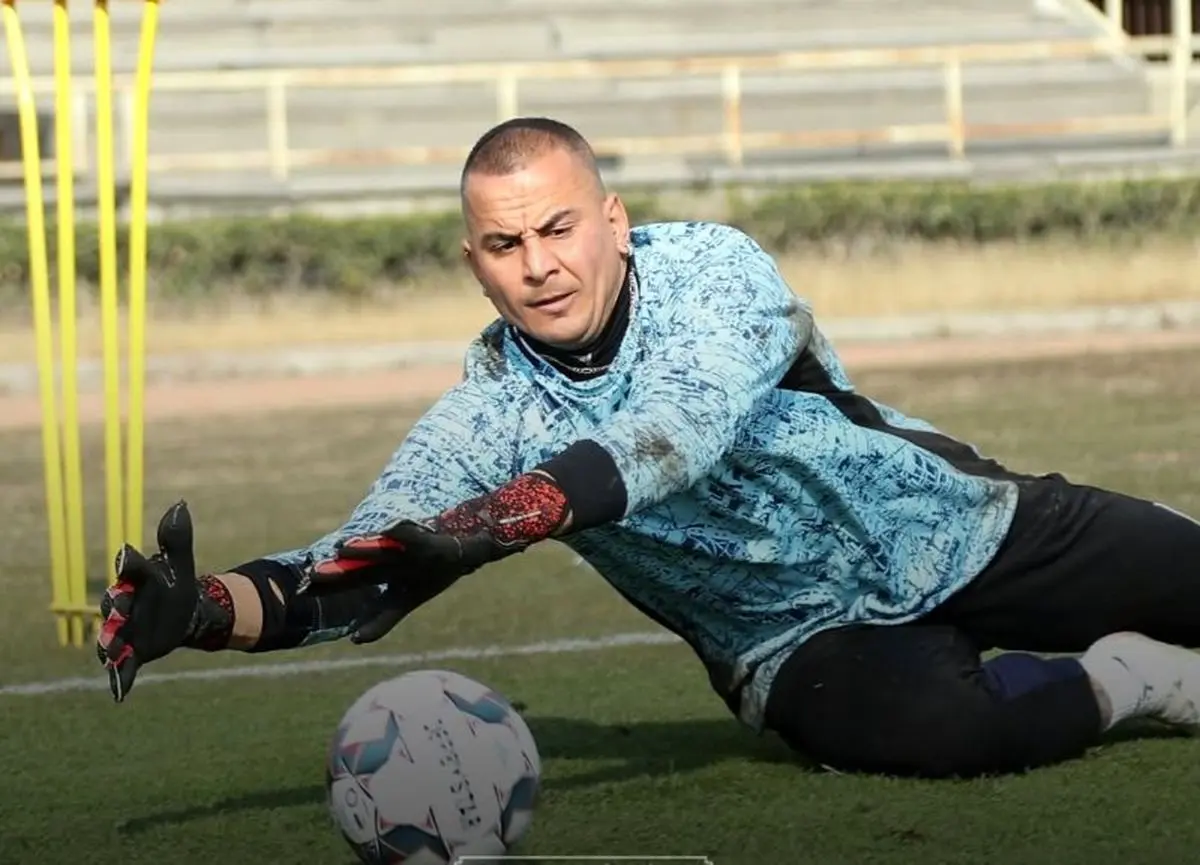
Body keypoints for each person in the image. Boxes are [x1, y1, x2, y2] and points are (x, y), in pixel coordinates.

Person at [96, 116, 1200, 780]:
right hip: (794, 640)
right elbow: (364, 559)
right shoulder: (488, 413)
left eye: (558, 227)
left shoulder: (712, 270)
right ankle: (1131, 678)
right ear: (476, 265)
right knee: (948, 737)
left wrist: (500, 519)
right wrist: (208, 610)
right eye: (505, 244)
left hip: (959, 523)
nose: (539, 264)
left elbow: (675, 433)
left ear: (614, 220)